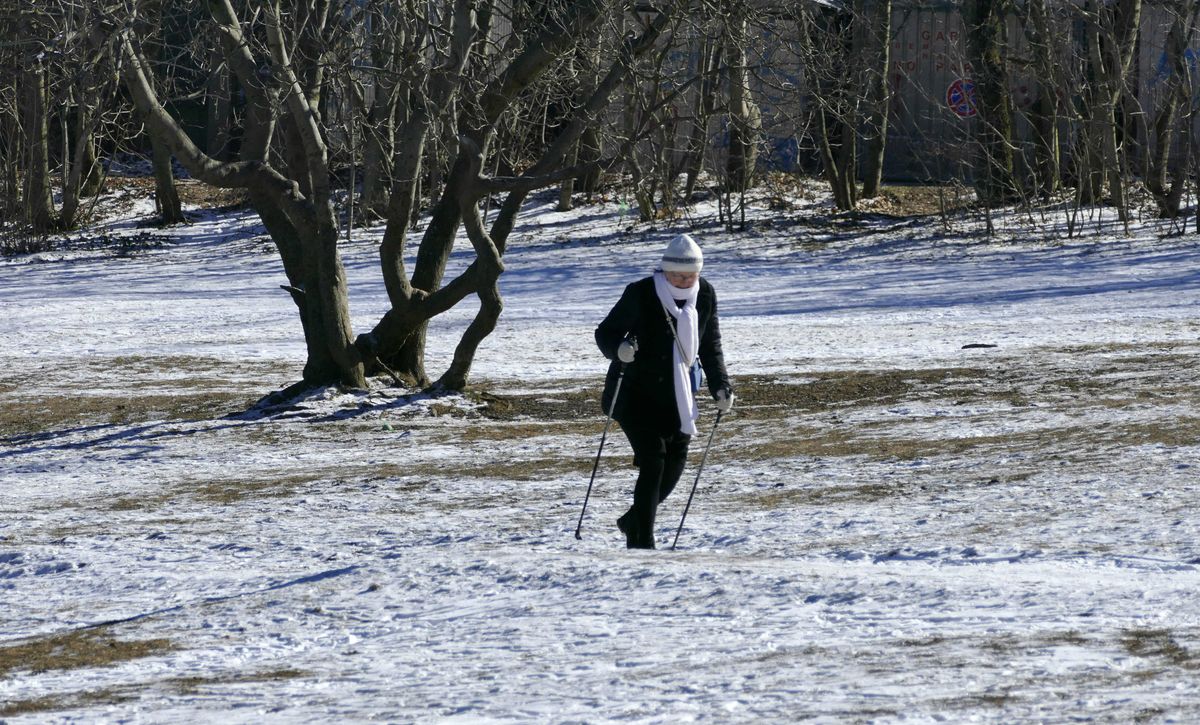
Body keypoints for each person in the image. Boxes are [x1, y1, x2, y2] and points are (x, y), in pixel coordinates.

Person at [594, 233, 733, 549]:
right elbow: (605, 333)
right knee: (653, 461)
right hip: (634, 394)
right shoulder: (642, 293)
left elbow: (710, 346)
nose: (684, 281)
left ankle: (633, 520)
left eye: (690, 275)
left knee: (675, 462)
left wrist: (721, 386)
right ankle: (643, 542)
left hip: (677, 395)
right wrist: (619, 349)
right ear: (664, 270)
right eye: (677, 275)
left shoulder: (705, 294)